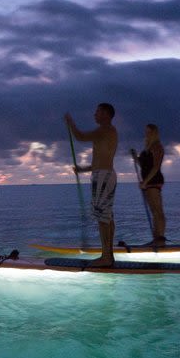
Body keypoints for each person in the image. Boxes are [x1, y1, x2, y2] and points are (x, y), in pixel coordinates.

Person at [64, 103, 118, 267]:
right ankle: (109, 255)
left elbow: (80, 136)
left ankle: (106, 257)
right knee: (107, 216)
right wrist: (83, 169)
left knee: (103, 218)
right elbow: (101, 160)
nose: (94, 114)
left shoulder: (105, 129)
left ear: (106, 114)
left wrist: (70, 123)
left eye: (98, 112)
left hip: (103, 177)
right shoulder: (109, 132)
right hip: (106, 175)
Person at [134, 123, 166, 246]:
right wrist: (135, 157)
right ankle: (156, 239)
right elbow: (144, 166)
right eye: (145, 131)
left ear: (154, 133)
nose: (146, 134)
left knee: (158, 210)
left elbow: (156, 167)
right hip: (147, 182)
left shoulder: (157, 146)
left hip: (154, 181)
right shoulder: (147, 148)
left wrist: (146, 182)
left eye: (149, 132)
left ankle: (161, 238)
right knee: (153, 211)